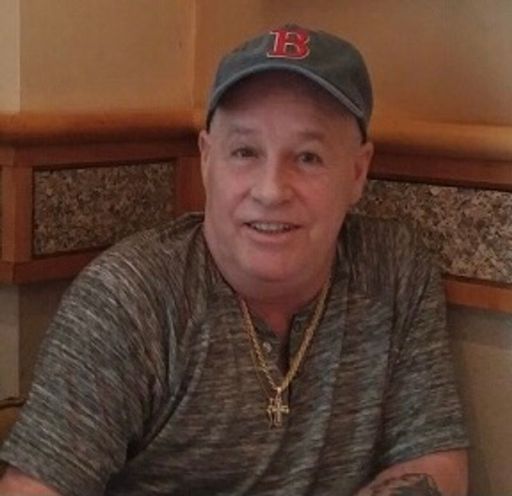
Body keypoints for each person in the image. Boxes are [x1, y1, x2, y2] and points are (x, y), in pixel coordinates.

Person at [0, 24, 468, 496]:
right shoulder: (127, 297)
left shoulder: (395, 269)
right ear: (207, 160)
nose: (271, 190)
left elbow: (434, 464)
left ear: (357, 172)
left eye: (308, 157)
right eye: (245, 152)